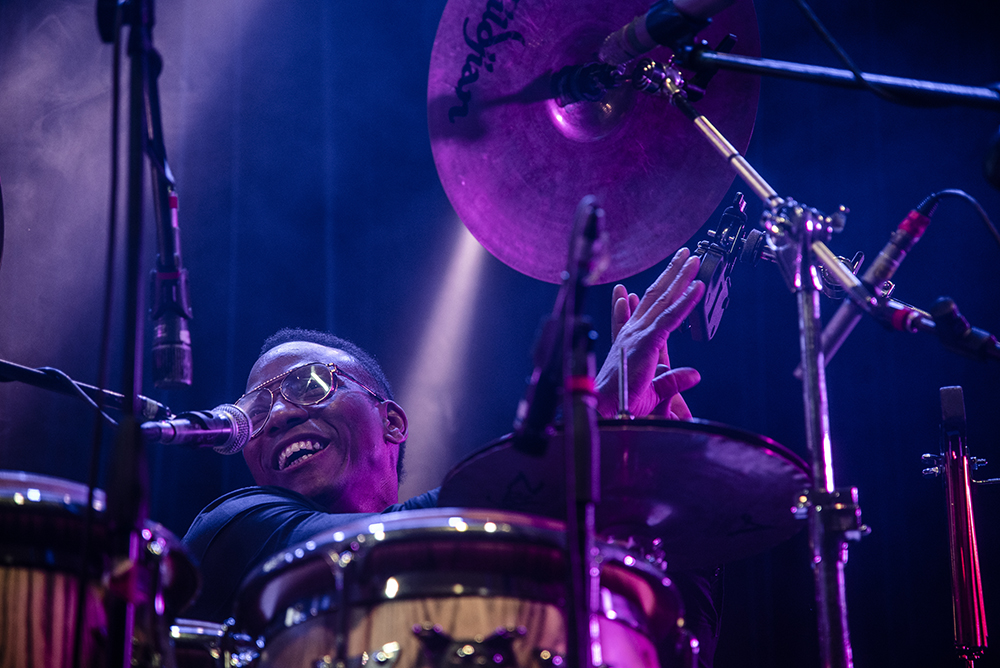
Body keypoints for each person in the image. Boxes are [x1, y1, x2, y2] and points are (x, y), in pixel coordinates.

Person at [181, 248, 715, 660]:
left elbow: (676, 645)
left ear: (391, 421)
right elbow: (369, 549)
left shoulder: (496, 589)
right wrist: (583, 430)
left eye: (309, 384)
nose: (276, 416)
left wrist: (654, 495)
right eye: (254, 408)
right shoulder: (235, 528)